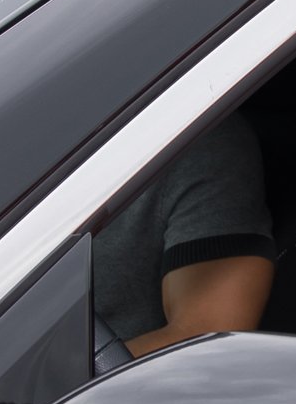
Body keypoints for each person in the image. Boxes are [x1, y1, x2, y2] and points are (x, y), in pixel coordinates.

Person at [91, 108, 278, 360]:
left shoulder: (200, 146)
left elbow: (208, 341)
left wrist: (49, 386)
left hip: (100, 394)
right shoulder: (35, 133)